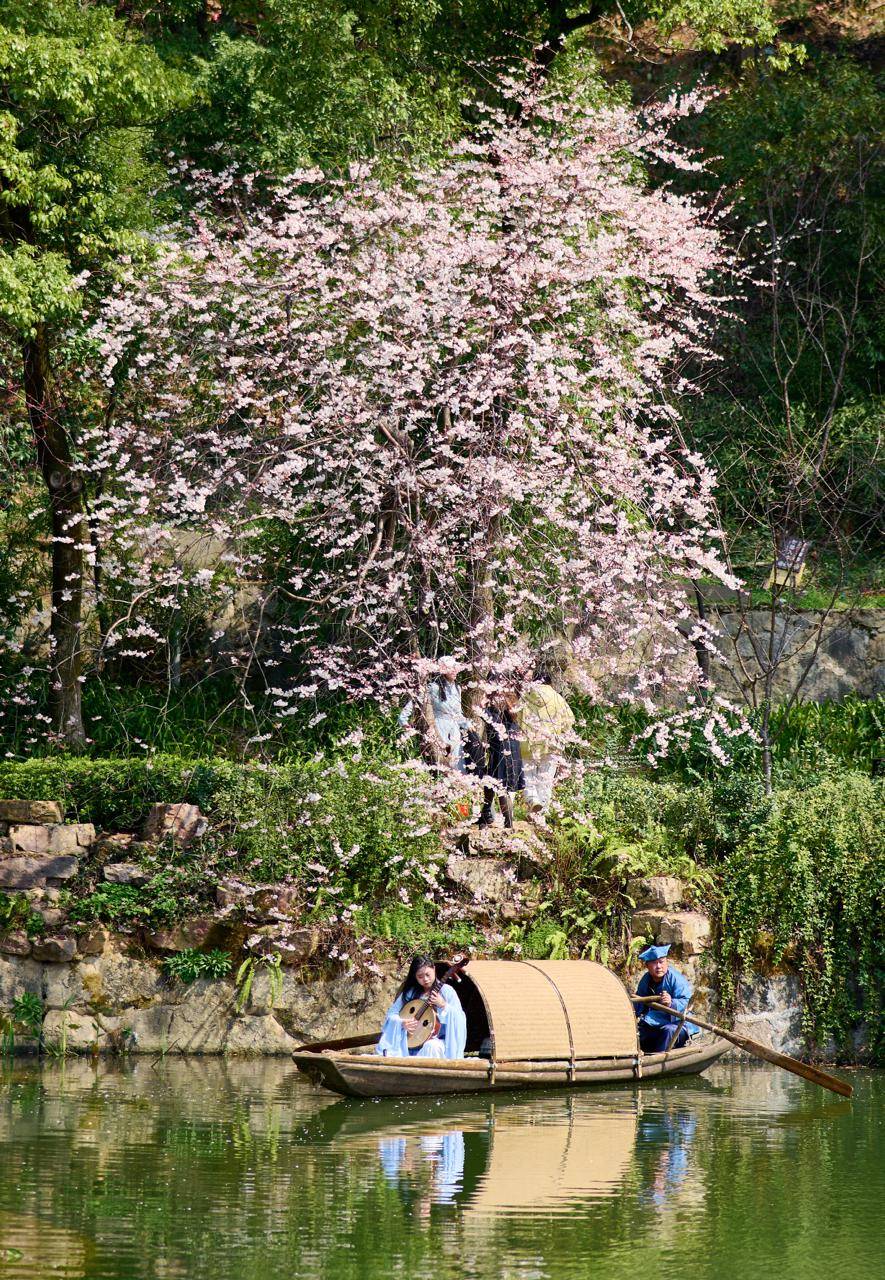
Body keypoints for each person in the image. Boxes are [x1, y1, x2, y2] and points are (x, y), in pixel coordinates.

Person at [375, 955, 467, 1059]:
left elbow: (460, 1018)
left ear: (434, 969)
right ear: (415, 977)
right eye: (420, 976)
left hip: (439, 1043)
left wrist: (443, 1005)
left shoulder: (447, 991)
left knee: (432, 1046)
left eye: (428, 974)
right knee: (388, 1051)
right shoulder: (410, 993)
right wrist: (402, 1023)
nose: (425, 979)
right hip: (410, 1042)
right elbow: (391, 1015)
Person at [518, 663, 574, 821]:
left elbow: (518, 718)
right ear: (550, 682)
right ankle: (541, 815)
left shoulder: (526, 696)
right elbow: (569, 721)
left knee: (528, 776)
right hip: (551, 744)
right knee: (546, 779)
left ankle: (532, 800)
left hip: (528, 743)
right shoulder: (557, 698)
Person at [633, 944, 698, 1053]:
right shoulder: (646, 980)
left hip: (677, 1024)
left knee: (668, 1031)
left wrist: (670, 1003)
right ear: (647, 966)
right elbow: (639, 1003)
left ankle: (658, 1059)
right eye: (654, 963)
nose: (658, 966)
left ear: (666, 962)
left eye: (661, 962)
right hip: (655, 1021)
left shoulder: (675, 979)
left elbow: (685, 1002)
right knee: (639, 1031)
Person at [476, 685, 524, 829]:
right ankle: (486, 814)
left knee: (500, 784)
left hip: (500, 748)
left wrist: (482, 704)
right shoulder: (511, 704)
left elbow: (481, 712)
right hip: (512, 747)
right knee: (491, 779)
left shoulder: (495, 709)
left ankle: (508, 823)